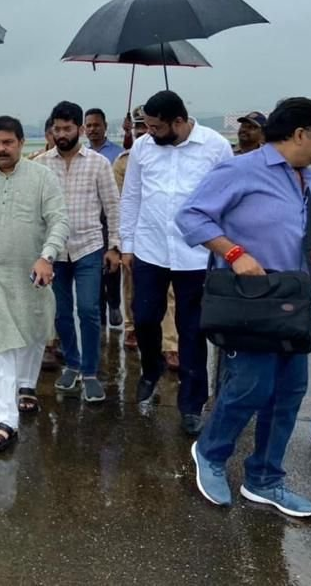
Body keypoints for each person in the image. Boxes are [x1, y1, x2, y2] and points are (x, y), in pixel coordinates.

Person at [177, 97, 311, 518]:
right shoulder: (241, 169)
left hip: (295, 301)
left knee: (288, 394)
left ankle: (264, 478)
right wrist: (233, 253)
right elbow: (190, 216)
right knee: (251, 386)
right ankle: (209, 454)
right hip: (251, 301)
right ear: (299, 134)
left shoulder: (308, 179)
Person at [119, 90, 233, 435]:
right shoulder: (142, 148)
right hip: (150, 249)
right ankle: (150, 369)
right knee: (145, 317)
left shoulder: (214, 147)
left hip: (196, 254)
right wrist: (126, 244)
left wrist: (225, 249)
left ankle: (191, 403)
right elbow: (132, 196)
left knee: (192, 331)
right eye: (146, 126)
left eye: (155, 126)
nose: (149, 132)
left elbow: (227, 199)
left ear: (179, 122)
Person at [0, 116, 68, 453]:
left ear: (22, 143)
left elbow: (59, 220)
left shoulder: (43, 177)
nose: (1, 149)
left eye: (8, 142)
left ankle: (26, 385)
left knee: (33, 329)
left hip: (33, 270)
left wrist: (47, 256)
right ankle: (6, 419)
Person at [36, 100, 121, 403]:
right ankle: (71, 364)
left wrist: (114, 247)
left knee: (88, 310)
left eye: (67, 128)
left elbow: (112, 207)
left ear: (80, 130)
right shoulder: (41, 164)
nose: (61, 133)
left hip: (89, 247)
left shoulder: (98, 163)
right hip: (54, 252)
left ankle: (90, 371)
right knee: (60, 313)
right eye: (57, 128)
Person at [114, 106, 179, 369]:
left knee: (171, 293)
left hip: (169, 237)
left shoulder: (172, 155)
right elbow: (121, 202)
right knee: (132, 287)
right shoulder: (124, 161)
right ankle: (132, 327)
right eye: (139, 127)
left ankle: (171, 344)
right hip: (138, 237)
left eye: (147, 127)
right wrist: (124, 242)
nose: (144, 132)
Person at [85, 108, 124, 328]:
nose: (92, 129)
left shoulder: (118, 154)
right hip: (91, 219)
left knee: (112, 264)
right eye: (88, 125)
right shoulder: (82, 154)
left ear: (105, 126)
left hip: (111, 216)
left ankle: (114, 302)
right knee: (94, 267)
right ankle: (99, 313)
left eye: (96, 125)